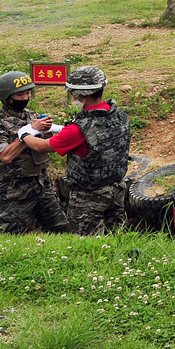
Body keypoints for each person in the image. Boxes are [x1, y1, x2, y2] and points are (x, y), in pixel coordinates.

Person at [22, 65, 131, 235]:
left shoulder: (77, 129)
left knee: (87, 246)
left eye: (73, 94)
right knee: (117, 239)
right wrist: (61, 129)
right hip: (117, 190)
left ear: (81, 95)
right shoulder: (118, 114)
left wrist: (25, 134)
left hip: (88, 197)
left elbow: (41, 146)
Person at [0, 71, 69, 234]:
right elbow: (6, 156)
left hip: (42, 185)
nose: (25, 98)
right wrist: (28, 133)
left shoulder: (32, 116)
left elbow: (46, 146)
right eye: (20, 94)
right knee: (5, 234)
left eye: (28, 93)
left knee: (62, 228)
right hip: (16, 190)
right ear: (6, 97)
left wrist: (48, 130)